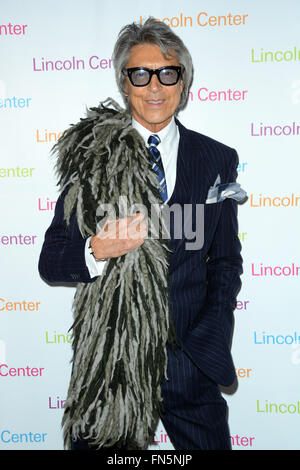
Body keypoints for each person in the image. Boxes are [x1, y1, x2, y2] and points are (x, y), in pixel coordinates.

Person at [39, 17, 244, 451]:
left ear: (183, 84)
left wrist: (213, 331)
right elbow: (52, 258)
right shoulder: (92, 156)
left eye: (168, 73)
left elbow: (225, 260)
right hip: (112, 365)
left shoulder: (216, 158)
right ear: (124, 83)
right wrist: (97, 248)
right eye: (141, 73)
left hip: (191, 361)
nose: (155, 86)